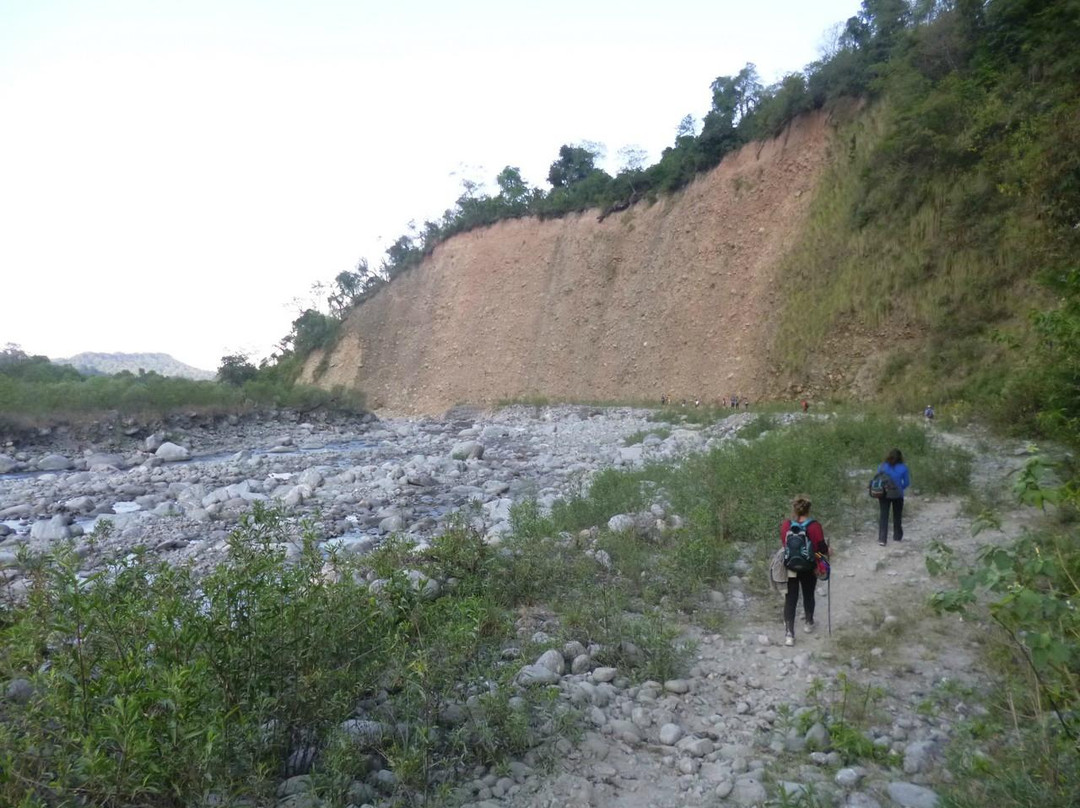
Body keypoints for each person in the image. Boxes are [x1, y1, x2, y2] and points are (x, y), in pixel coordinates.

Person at [780, 495, 829, 646]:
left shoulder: (786, 525)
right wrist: (820, 555)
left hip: (791, 567)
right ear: (809, 509)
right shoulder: (815, 526)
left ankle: (789, 634)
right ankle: (808, 623)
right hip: (809, 566)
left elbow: (785, 544)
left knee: (791, 598)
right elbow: (821, 550)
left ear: (794, 508)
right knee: (808, 594)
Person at [877, 448, 910, 546]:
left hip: (884, 494)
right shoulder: (903, 468)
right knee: (897, 515)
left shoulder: (882, 466)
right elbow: (907, 482)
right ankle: (897, 536)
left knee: (884, 516)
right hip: (898, 495)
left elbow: (878, 479)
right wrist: (900, 488)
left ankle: (882, 539)